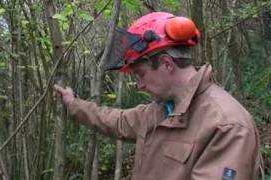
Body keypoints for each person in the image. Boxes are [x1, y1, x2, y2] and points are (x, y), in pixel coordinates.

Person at [54, 12, 260, 180]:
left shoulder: (227, 125)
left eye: (140, 74)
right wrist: (73, 104)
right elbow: (115, 121)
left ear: (167, 64)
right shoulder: (160, 110)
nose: (139, 84)